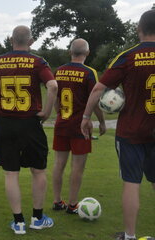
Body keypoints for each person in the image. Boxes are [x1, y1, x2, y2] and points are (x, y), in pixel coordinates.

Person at [0, 25, 58, 235]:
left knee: (11, 173)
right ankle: (37, 219)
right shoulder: (38, 61)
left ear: (11, 40)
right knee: (38, 171)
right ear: (31, 41)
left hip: (5, 123)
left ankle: (18, 222)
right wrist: (47, 112)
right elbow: (53, 86)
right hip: (30, 122)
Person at [81, 10, 155, 240]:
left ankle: (130, 236)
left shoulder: (128, 56)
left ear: (138, 30)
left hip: (131, 131)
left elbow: (98, 89)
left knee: (132, 182)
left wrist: (86, 117)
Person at [52, 39, 106, 214]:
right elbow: (95, 100)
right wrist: (102, 121)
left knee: (58, 164)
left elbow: (55, 99)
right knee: (77, 167)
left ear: (70, 52)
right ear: (87, 53)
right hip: (80, 127)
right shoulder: (89, 72)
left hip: (62, 123)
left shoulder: (59, 71)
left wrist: (58, 113)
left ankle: (57, 201)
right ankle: (73, 204)